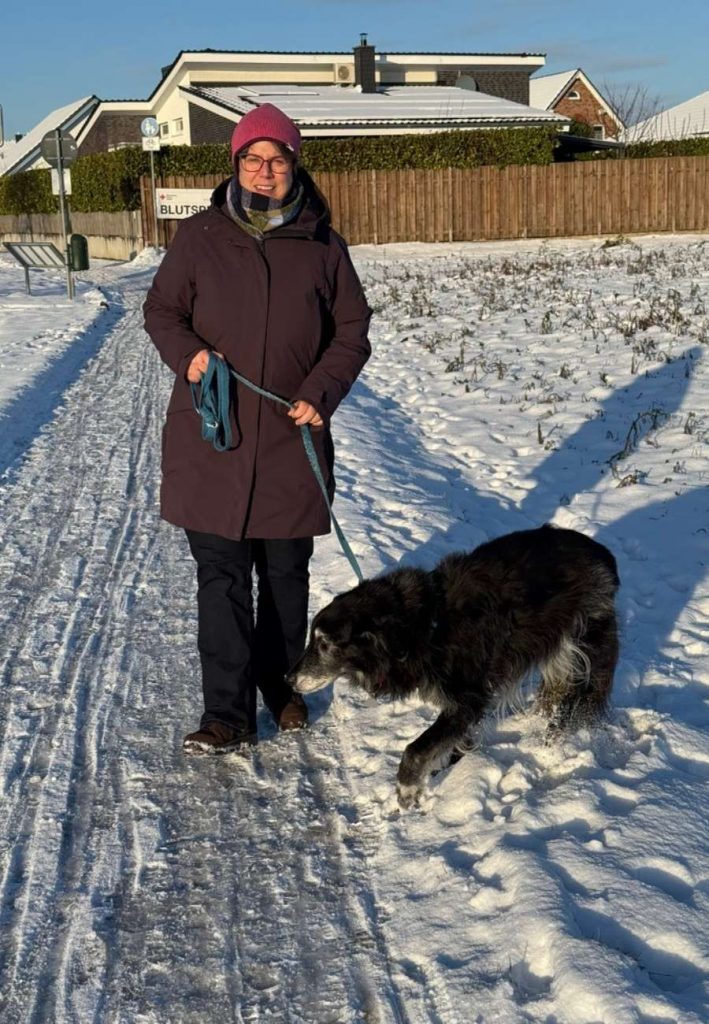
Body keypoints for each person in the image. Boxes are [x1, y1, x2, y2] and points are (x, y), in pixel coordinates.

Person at [143, 103, 372, 754]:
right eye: (252, 158)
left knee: (284, 577)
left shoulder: (324, 245)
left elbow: (351, 333)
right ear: (235, 164)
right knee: (220, 581)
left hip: (288, 438)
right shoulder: (199, 237)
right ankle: (226, 715)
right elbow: (162, 310)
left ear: (293, 165)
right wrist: (186, 354)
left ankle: (281, 687)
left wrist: (318, 392)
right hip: (211, 436)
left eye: (276, 159)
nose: (264, 170)